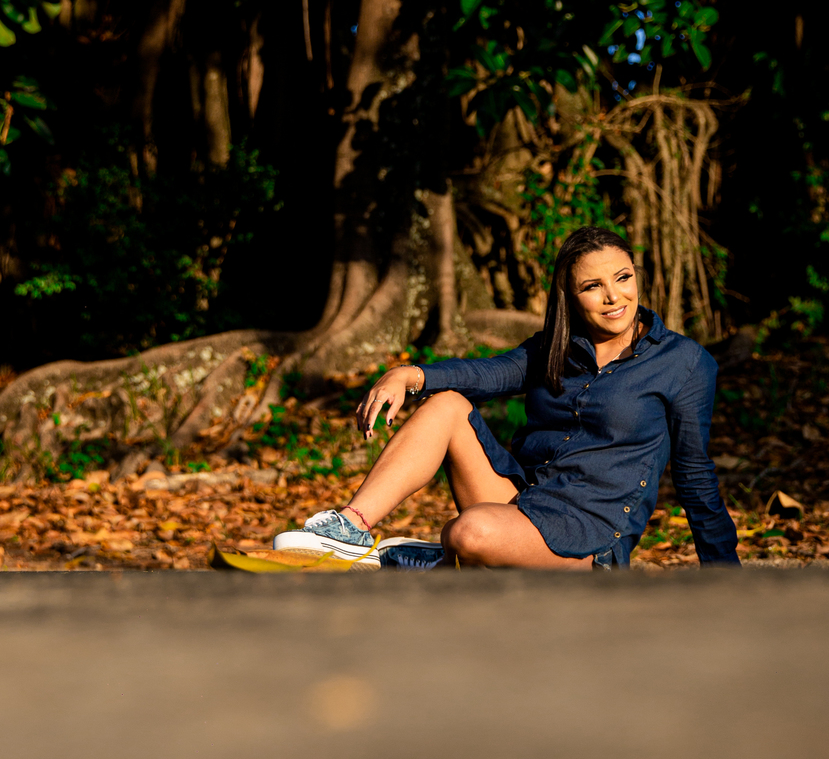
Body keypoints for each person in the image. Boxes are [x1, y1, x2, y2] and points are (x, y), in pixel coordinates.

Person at [275, 225, 740, 570]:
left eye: (622, 278)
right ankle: (351, 528)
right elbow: (486, 373)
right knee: (447, 405)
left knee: (470, 531)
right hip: (523, 505)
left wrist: (725, 579)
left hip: (591, 538)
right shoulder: (554, 349)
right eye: (592, 286)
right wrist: (408, 374)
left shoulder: (683, 362)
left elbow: (695, 475)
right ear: (570, 296)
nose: (613, 297)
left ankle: (444, 563)